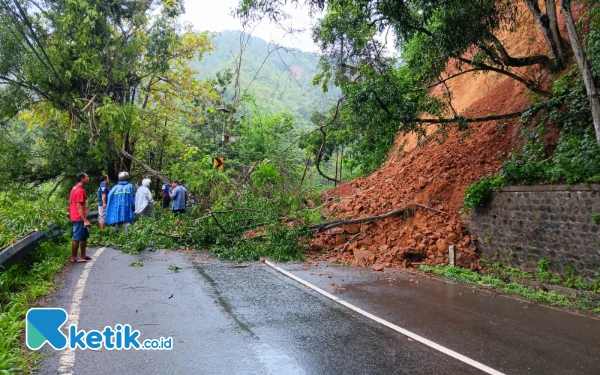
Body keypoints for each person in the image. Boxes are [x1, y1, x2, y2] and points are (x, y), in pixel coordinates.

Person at [69, 172, 91, 263]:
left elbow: (70, 201)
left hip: (78, 216)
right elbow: (79, 206)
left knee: (84, 236)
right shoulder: (79, 190)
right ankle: (73, 257)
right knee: (77, 237)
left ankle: (83, 255)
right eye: (87, 177)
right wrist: (85, 220)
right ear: (82, 179)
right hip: (79, 217)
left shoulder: (75, 188)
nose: (88, 178)